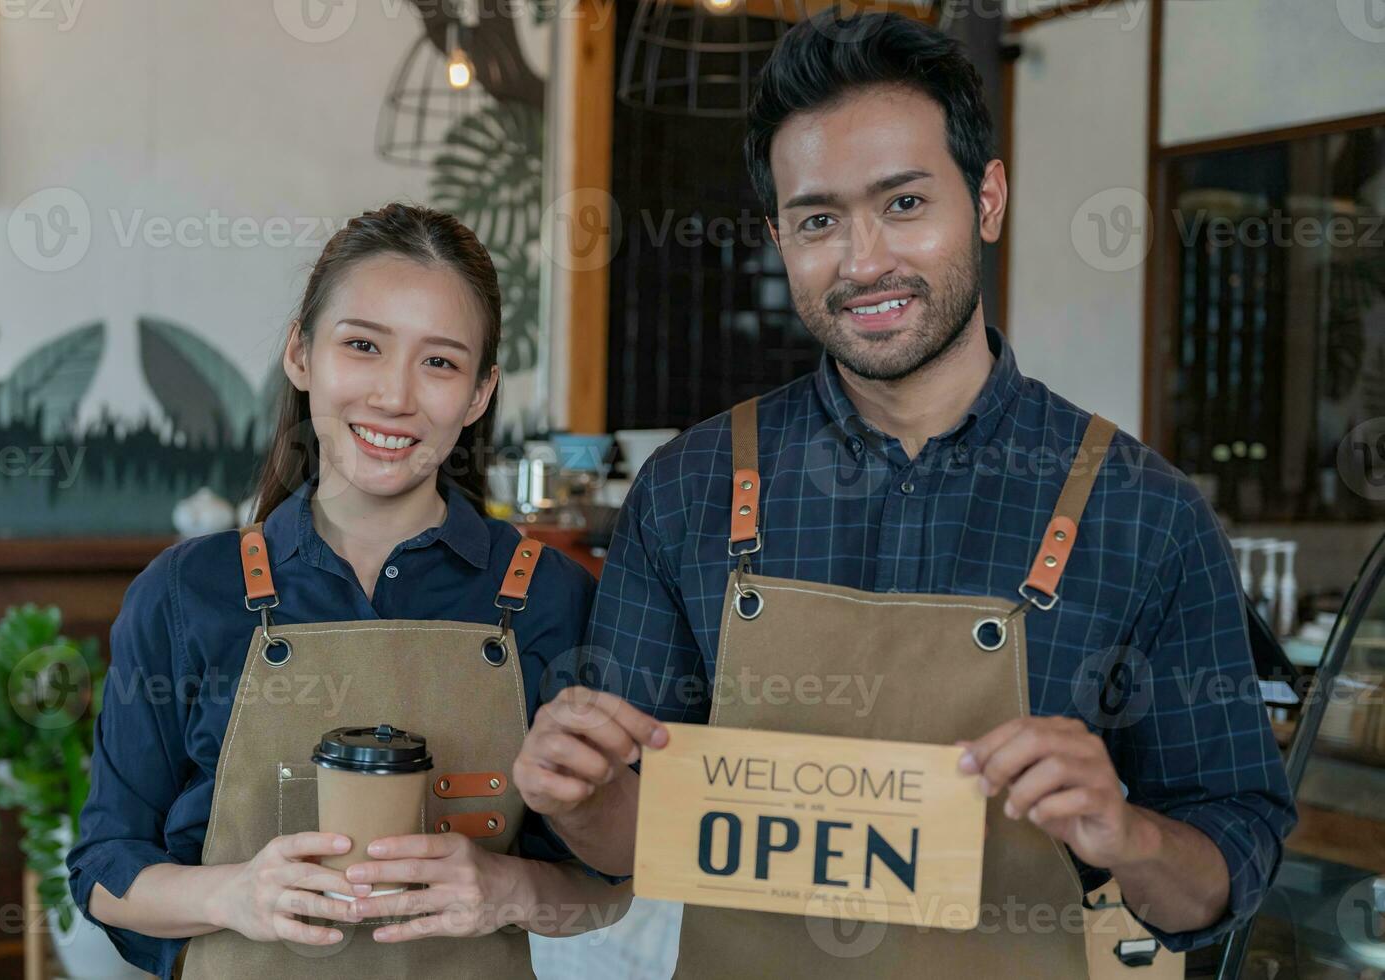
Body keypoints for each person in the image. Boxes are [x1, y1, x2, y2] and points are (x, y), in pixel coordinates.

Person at [513, 10, 1295, 977]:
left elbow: (1228, 866)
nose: (864, 260)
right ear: (778, 237)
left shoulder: (1146, 513)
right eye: (818, 220)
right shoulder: (687, 492)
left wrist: (1127, 833)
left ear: (989, 198)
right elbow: (633, 842)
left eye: (905, 203)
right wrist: (578, 798)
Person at [68, 203, 627, 980]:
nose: (394, 396)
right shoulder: (184, 592)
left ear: (478, 393)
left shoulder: (551, 597)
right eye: (362, 345)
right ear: (301, 354)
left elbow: (609, 885)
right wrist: (234, 895)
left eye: (440, 362)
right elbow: (103, 870)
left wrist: (507, 886)